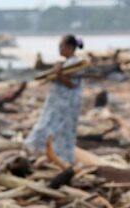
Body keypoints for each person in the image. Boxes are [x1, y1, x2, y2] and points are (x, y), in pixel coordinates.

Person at [25, 34, 85, 165]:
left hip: (65, 104)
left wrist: (58, 74)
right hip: (58, 103)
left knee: (59, 130)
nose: (59, 49)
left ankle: (60, 157)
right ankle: (44, 153)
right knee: (49, 126)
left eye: (61, 46)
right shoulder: (67, 63)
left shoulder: (75, 64)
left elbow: (72, 84)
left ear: (69, 48)